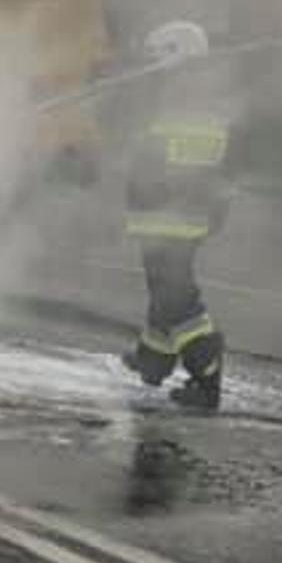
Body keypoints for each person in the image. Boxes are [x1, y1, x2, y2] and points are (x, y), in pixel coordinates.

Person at [121, 26, 235, 411]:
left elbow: (154, 153)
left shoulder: (177, 98)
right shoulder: (197, 98)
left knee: (177, 297)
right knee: (163, 290)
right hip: (176, 217)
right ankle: (154, 358)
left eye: (155, 59)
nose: (150, 68)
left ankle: (206, 373)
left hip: (168, 219)